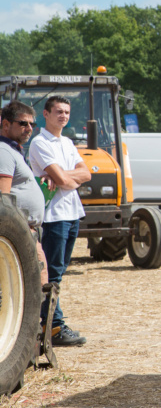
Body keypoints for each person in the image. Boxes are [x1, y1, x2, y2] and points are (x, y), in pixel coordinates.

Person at [28, 96, 91, 346]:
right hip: (54, 216)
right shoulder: (39, 143)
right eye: (58, 111)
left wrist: (67, 176)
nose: (63, 116)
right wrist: (68, 178)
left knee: (60, 271)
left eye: (66, 112)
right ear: (46, 113)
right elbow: (65, 181)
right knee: (52, 273)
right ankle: (53, 327)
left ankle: (51, 323)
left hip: (72, 212)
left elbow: (85, 174)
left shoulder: (67, 142)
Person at [0, 101, 48, 288]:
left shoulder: (13, 150)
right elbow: (3, 199)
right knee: (34, 290)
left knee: (38, 287)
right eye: (23, 123)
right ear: (6, 124)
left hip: (25, 232)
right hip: (19, 234)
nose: (29, 129)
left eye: (32, 124)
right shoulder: (4, 151)